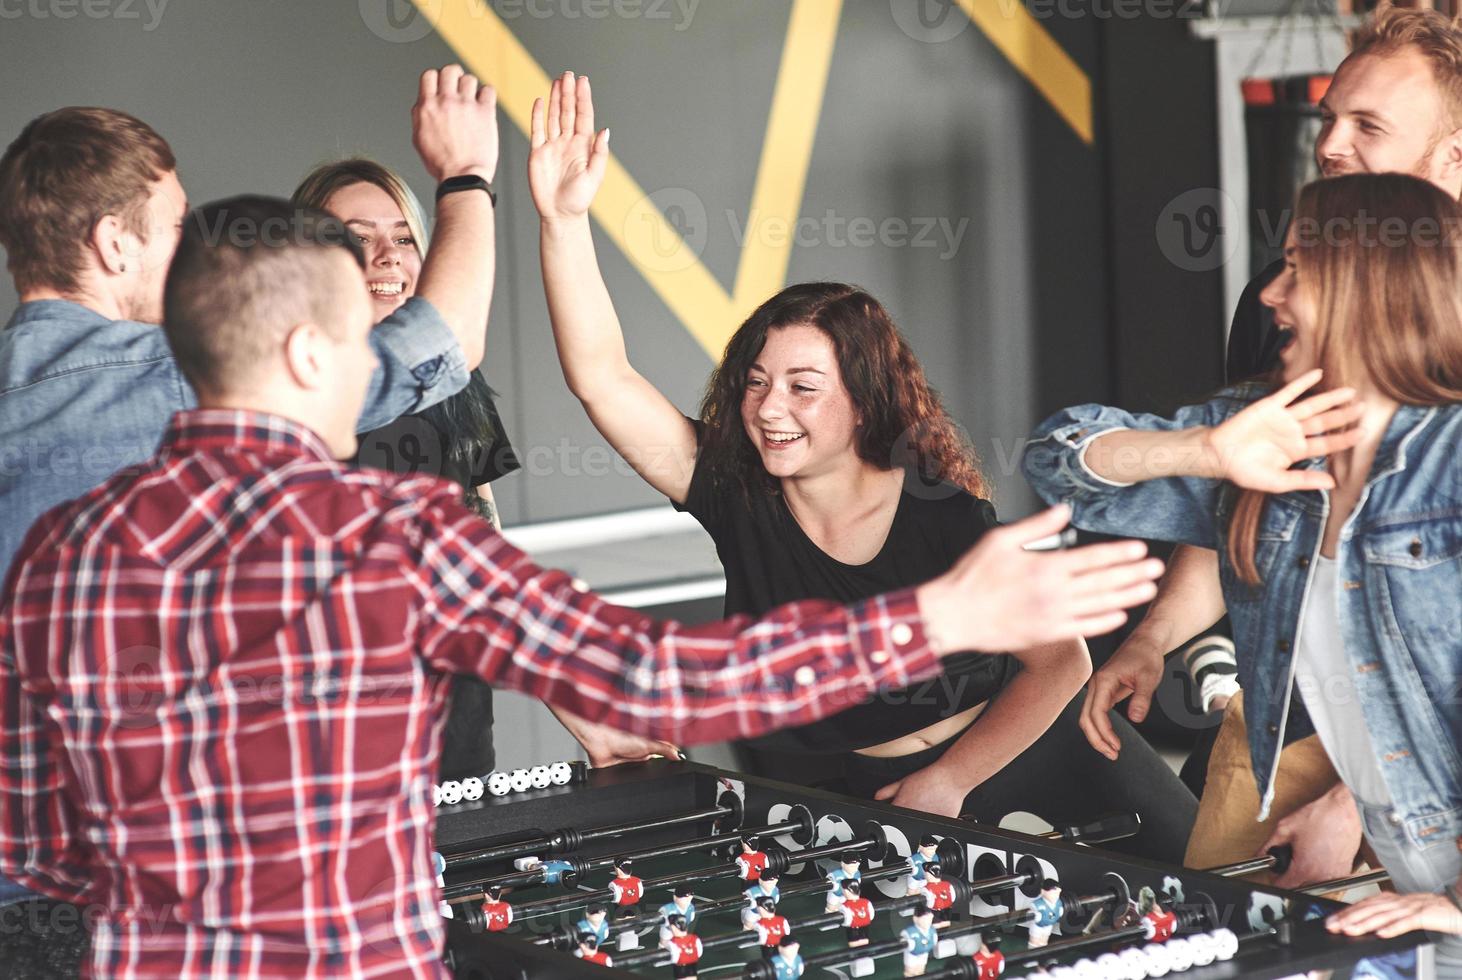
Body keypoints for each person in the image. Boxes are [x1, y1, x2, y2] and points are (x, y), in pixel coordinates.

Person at [0, 187, 1162, 977]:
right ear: (309, 354)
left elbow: (39, 844)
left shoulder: (66, 553)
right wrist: (941, 616)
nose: (371, 364)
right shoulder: (394, 530)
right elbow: (659, 682)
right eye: (362, 337)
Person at [527, 70, 1195, 860]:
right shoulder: (737, 495)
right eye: (756, 383)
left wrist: (951, 779)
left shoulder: (938, 506)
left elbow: (1059, 662)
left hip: (1035, 744)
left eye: (804, 387)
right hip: (880, 788)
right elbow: (602, 377)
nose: (771, 408)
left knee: (1215, 883)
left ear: (864, 403)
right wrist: (564, 222)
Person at [0, 62, 499, 968]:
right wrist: (465, 178)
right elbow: (441, 342)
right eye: (175, 226)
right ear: (114, 244)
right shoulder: (179, 379)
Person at [1024, 173, 1462, 974]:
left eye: (1299, 269)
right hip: (1397, 863)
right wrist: (1205, 451)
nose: (1273, 294)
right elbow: (1056, 460)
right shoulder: (1275, 436)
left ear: (1372, 285)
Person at [1083, 3, 1462, 885]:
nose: (1330, 144)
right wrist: (1153, 637)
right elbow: (1249, 508)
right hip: (1283, 726)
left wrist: (1361, 802)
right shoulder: (1276, 296)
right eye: (1330, 117)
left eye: (1368, 125)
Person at [293, 157, 520, 784]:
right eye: (357, 238)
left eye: (402, 237)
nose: (388, 256)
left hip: (456, 735)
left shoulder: (456, 386)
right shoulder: (289, 397)